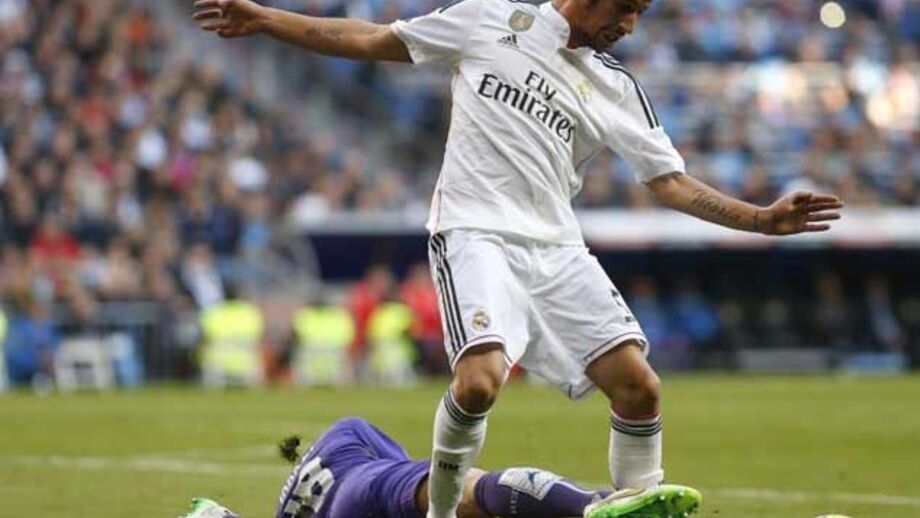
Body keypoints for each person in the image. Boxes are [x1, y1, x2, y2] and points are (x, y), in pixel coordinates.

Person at [191, 1, 843, 517]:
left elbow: (668, 183)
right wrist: (266, 19)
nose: (629, 25)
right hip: (474, 233)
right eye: (624, 7)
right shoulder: (488, 21)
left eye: (641, 12)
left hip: (556, 249)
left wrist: (760, 219)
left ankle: (634, 509)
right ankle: (440, 516)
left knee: (640, 388)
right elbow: (372, 38)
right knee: (479, 382)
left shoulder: (615, 86)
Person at [180, 416, 701, 518]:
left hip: (352, 487)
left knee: (460, 497)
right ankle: (593, 506)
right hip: (358, 482)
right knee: (462, 489)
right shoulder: (342, 440)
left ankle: (592, 508)